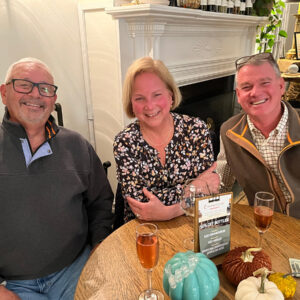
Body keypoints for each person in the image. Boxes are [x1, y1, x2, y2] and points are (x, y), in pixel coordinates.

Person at [0, 57, 114, 300]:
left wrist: (98, 246)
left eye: (45, 89)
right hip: (13, 285)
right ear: (3, 93)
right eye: (24, 85)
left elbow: (101, 202)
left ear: (53, 100)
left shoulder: (76, 145)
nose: (36, 94)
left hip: (76, 268)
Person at [113, 56, 219, 223]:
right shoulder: (124, 142)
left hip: (193, 225)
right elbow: (140, 205)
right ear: (131, 103)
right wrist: (193, 188)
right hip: (144, 231)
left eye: (157, 95)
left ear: (170, 96)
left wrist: (169, 211)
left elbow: (209, 192)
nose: (149, 105)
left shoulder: (196, 129)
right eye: (139, 98)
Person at [216, 53, 300, 218]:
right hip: (264, 225)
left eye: (265, 83)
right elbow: (220, 185)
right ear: (238, 95)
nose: (255, 92)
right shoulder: (229, 132)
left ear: (281, 86)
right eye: (246, 87)